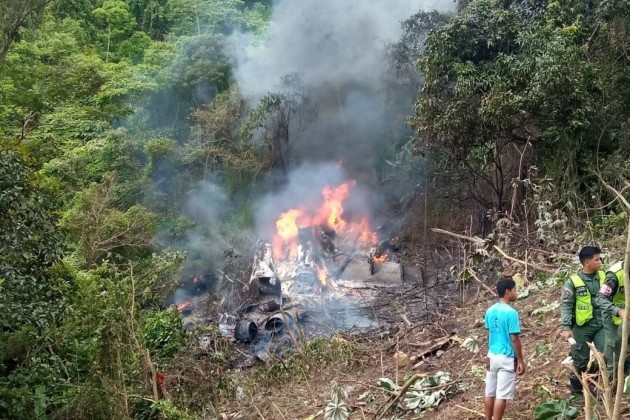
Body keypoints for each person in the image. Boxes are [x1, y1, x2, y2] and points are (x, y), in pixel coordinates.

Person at [560, 246, 606, 395]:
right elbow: (566, 304)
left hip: (602, 324)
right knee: (580, 360)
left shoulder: (604, 277)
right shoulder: (573, 281)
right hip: (582, 327)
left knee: (605, 354)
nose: (600, 262)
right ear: (587, 262)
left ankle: (591, 381)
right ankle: (577, 390)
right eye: (597, 259)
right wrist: (566, 327)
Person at [484, 278, 525, 420]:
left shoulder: (489, 311)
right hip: (506, 357)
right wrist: (520, 360)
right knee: (501, 396)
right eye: (515, 290)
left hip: (491, 356)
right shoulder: (511, 313)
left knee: (489, 392)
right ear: (508, 292)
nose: (516, 292)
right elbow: (514, 338)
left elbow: (489, 332)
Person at [596, 260, 630, 378]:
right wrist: (618, 311)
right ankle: (610, 383)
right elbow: (600, 298)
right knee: (613, 348)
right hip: (612, 315)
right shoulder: (614, 275)